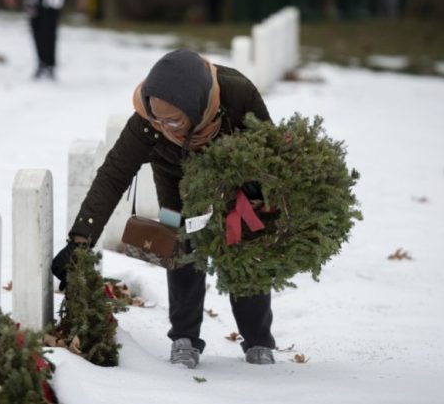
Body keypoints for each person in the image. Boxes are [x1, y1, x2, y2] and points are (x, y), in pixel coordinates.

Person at [52, 49, 277, 368]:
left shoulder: (238, 94)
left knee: (243, 244)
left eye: (173, 119)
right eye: (157, 118)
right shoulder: (148, 122)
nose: (164, 127)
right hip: (174, 185)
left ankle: (258, 340)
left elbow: (271, 148)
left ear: (196, 109)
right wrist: (80, 239)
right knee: (180, 243)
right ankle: (184, 338)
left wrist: (258, 182)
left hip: (233, 181)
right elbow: (113, 175)